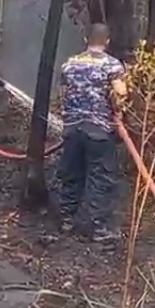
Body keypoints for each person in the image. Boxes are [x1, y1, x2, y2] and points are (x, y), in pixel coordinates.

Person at [56, 23, 128, 242]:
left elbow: (63, 94)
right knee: (101, 176)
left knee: (72, 173)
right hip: (98, 129)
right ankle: (100, 228)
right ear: (107, 42)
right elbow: (120, 93)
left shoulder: (69, 64)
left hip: (72, 128)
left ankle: (67, 219)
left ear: (86, 39)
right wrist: (119, 113)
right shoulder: (112, 65)